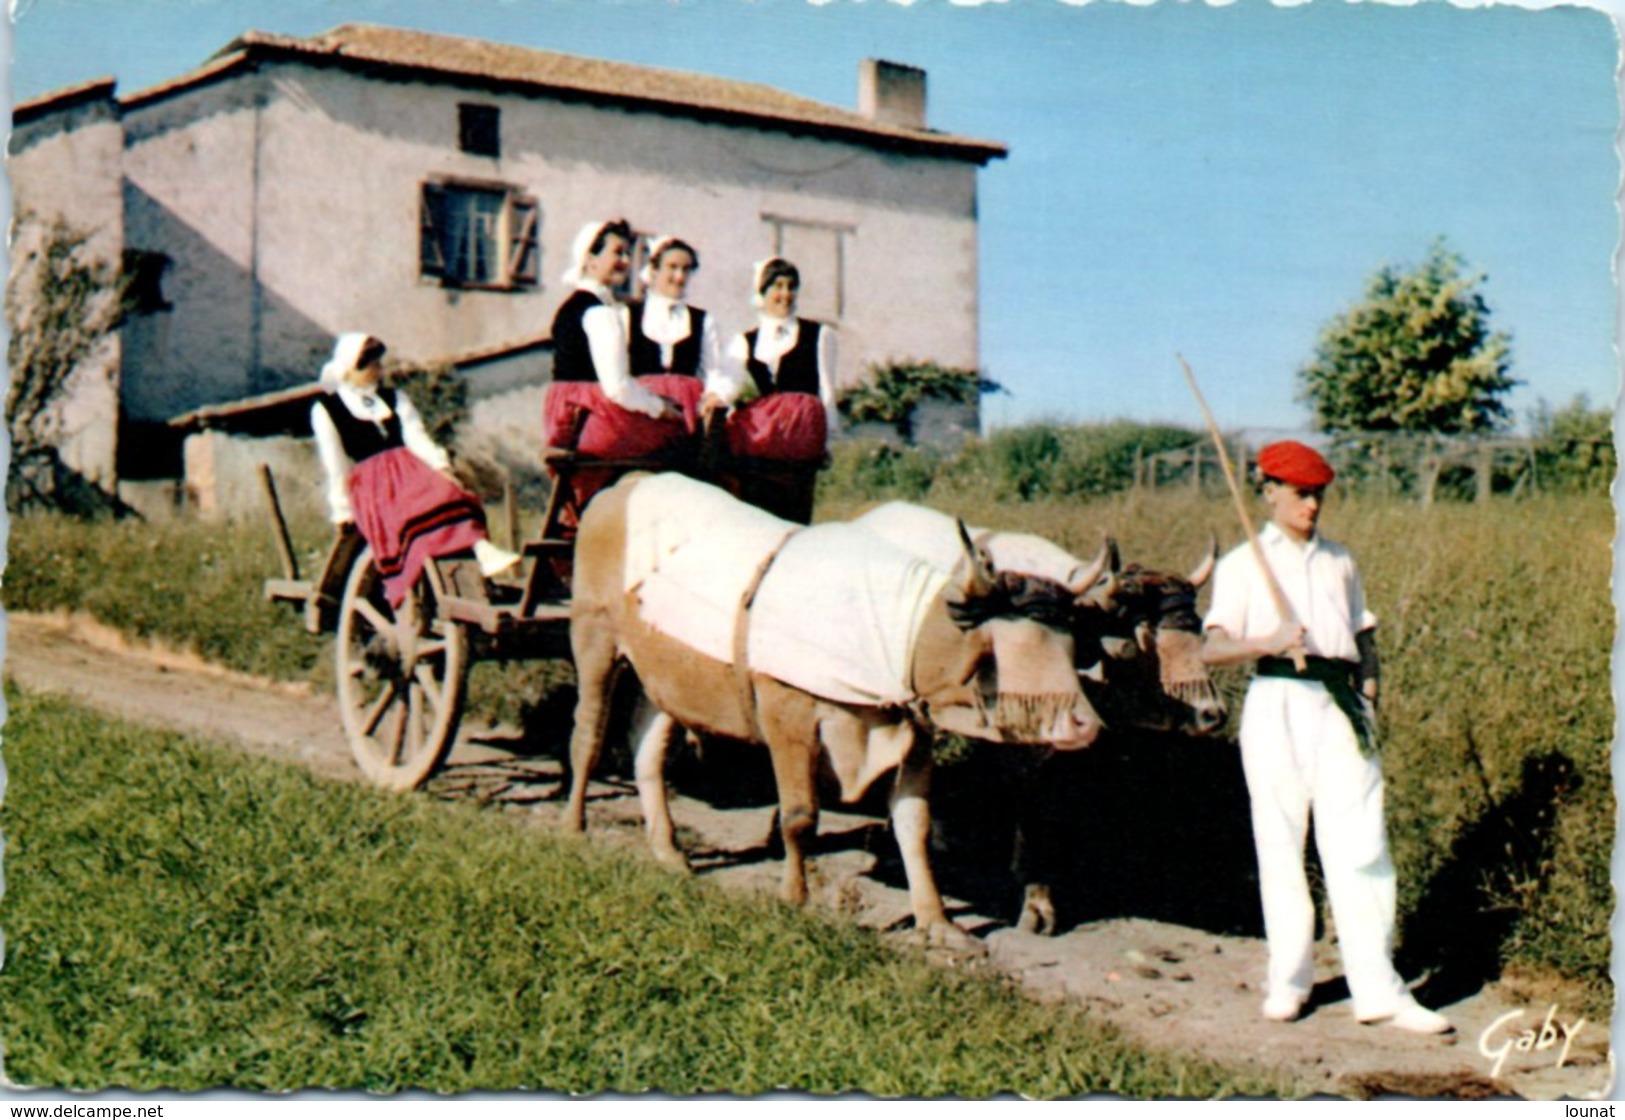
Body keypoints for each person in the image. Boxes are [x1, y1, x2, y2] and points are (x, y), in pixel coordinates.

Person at [1203, 439, 1450, 1035]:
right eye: (1300, 494)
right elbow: (1211, 647)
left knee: (1362, 843)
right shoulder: (1242, 564)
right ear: (1269, 494)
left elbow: (1364, 632)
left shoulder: (1341, 560)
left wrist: (1371, 685)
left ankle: (1380, 992)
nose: (1312, 506)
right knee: (1281, 843)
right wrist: (1266, 640)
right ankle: (1288, 984)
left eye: (1318, 495)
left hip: (1339, 705)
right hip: (1276, 703)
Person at [311, 332, 518, 609]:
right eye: (372, 365)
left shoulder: (394, 398)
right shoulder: (327, 409)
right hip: (372, 484)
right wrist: (343, 509)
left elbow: (417, 438)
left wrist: (441, 467)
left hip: (411, 470)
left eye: (378, 364)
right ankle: (427, 576)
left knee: (453, 495)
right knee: (412, 511)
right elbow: (335, 466)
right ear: (353, 369)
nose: (379, 370)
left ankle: (480, 550)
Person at [543, 219, 702, 526]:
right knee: (680, 433)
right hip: (588, 417)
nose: (625, 262)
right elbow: (617, 387)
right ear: (590, 259)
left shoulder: (570, 307)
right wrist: (660, 408)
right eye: (617, 252)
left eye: (628, 254)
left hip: (565, 415)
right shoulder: (601, 313)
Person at [712, 257, 838, 523]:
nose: (785, 294)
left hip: (799, 443)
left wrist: (827, 440)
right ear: (763, 292)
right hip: (764, 444)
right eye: (777, 286)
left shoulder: (819, 335)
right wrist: (715, 397)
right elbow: (730, 381)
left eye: (791, 286)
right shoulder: (746, 341)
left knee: (795, 517)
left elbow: (826, 390)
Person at [626, 235, 722, 384]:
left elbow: (712, 375)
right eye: (673, 267)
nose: (679, 276)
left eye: (686, 269)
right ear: (654, 270)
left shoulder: (702, 321)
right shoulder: (627, 315)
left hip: (686, 405)